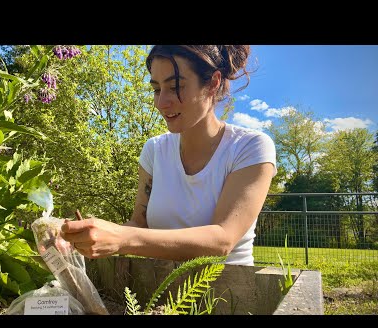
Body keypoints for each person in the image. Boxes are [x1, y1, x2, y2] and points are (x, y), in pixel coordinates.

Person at [60, 45, 276, 266]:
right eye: (156, 89)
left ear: (213, 82)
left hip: (230, 294)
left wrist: (121, 238)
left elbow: (222, 240)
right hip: (159, 292)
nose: (161, 103)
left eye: (175, 87)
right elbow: (138, 225)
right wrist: (84, 236)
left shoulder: (250, 148)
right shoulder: (154, 150)